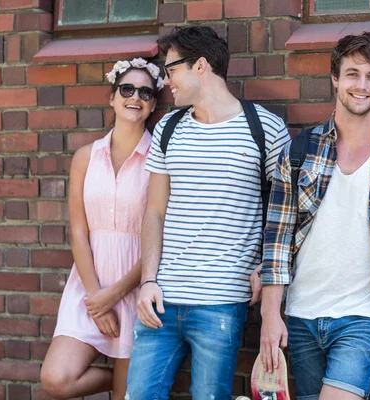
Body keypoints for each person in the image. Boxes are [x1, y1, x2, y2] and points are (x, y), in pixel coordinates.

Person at [259, 32, 370, 400]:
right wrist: (270, 316)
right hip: (301, 316)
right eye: (352, 74)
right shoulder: (300, 150)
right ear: (335, 78)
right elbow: (277, 239)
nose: (361, 85)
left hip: (364, 317)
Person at [126, 26, 290, 399]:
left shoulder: (265, 128)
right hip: (162, 300)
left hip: (221, 302)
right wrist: (148, 280)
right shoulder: (168, 128)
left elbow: (285, 213)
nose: (168, 83)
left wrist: (267, 265)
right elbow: (154, 212)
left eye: (171, 71)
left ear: (200, 66)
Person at [40, 58, 162, 400]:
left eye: (145, 92)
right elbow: (78, 232)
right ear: (112, 97)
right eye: (126, 89)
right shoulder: (85, 157)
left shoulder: (160, 159)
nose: (134, 97)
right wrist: (97, 299)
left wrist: (116, 294)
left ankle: (124, 382)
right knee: (55, 379)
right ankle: (113, 378)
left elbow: (159, 236)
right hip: (88, 289)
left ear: (152, 104)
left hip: (137, 289)